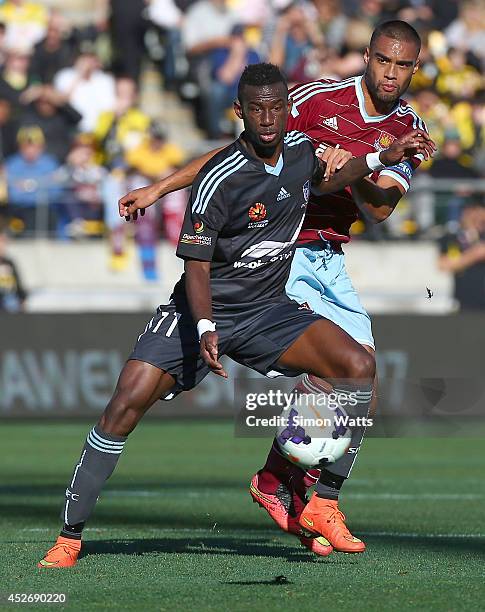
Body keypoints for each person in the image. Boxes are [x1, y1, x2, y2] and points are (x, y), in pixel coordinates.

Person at [37, 62, 432, 568]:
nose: (268, 119)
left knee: (359, 368)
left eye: (276, 108)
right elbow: (196, 266)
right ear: (239, 112)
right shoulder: (219, 178)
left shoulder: (299, 151)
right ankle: (70, 537)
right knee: (124, 405)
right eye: (256, 109)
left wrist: (383, 153)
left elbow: (339, 174)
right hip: (202, 311)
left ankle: (323, 502)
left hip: (268, 310)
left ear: (288, 111)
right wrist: (204, 327)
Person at [438, 201, 485, 310]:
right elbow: (443, 264)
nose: (477, 219)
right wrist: (474, 255)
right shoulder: (452, 238)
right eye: (472, 215)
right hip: (464, 302)